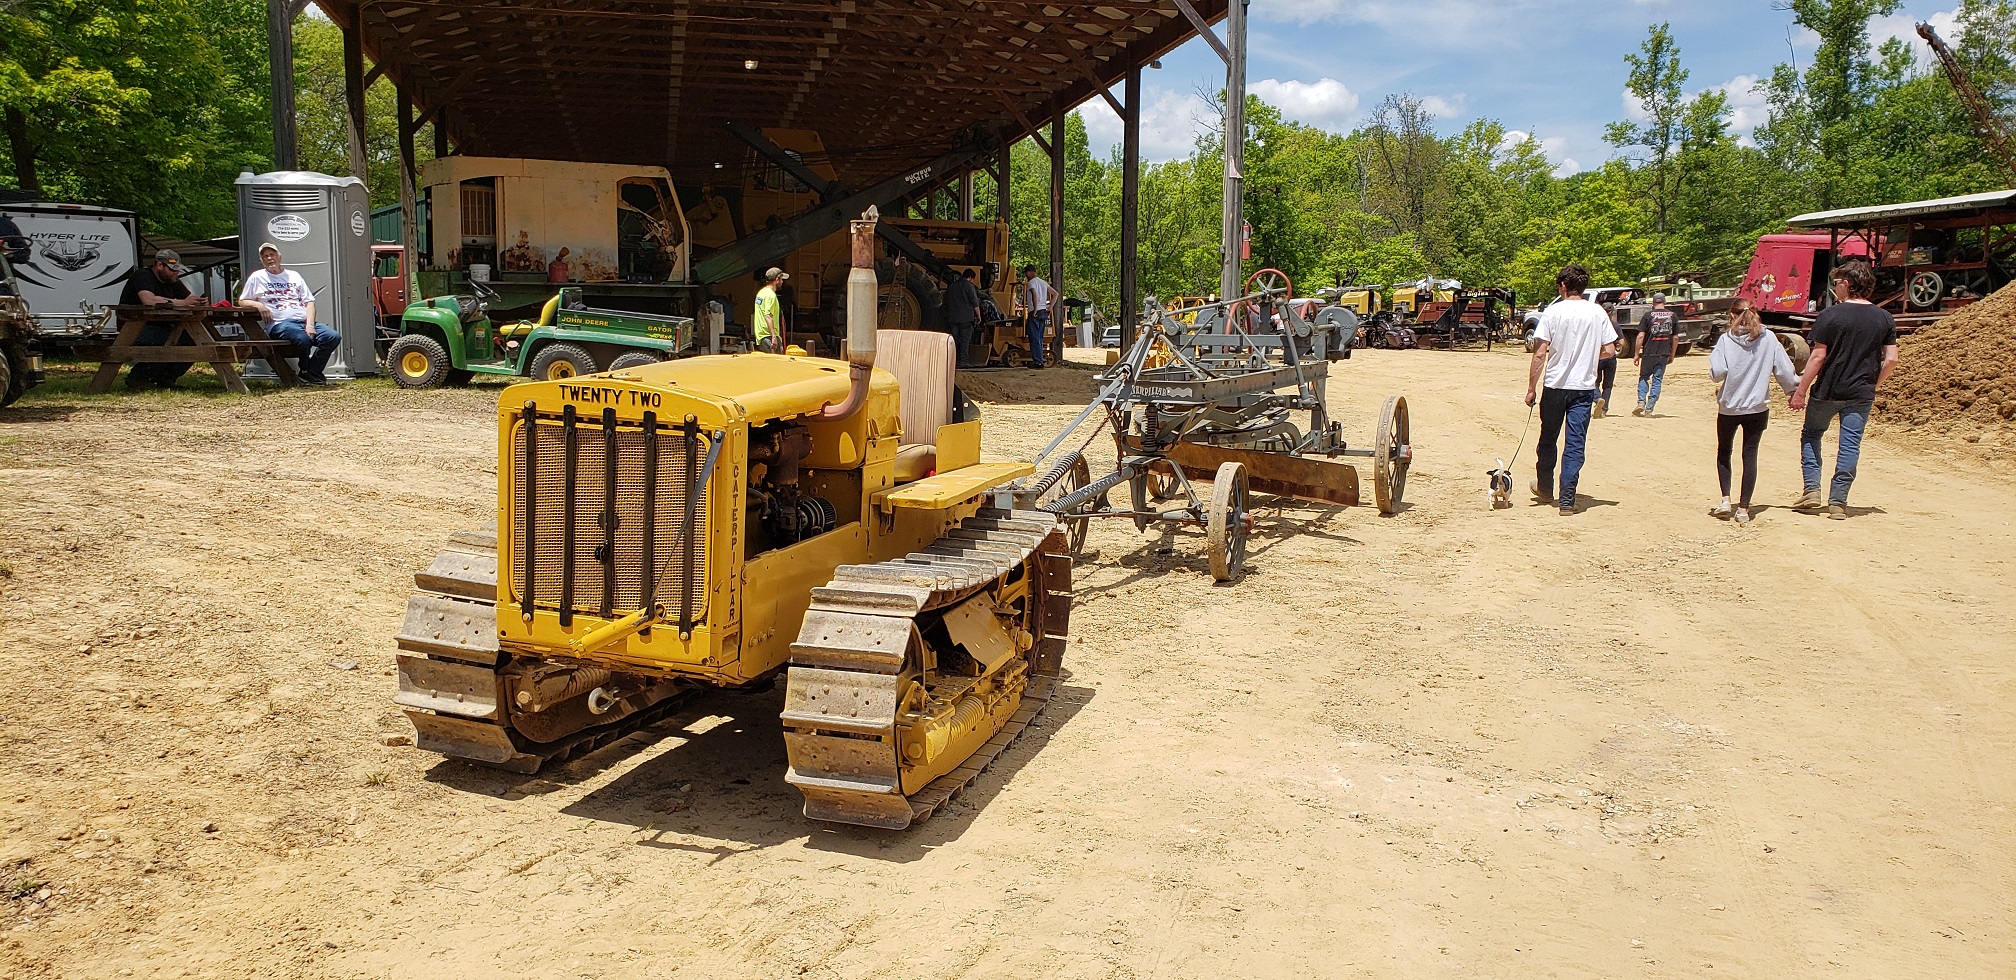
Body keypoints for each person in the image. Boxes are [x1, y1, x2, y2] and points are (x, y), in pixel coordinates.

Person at [1788, 257, 1898, 520]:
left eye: (1836, 283)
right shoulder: (1884, 317)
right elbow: (1892, 360)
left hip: (1828, 390)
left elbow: (1817, 357)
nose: (1834, 288)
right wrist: (1873, 385)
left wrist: (1800, 390)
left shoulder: (1830, 315)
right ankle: (1839, 501)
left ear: (1847, 284)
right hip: (1860, 394)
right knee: (1850, 445)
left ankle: (1812, 489)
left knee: (1812, 434)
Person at [1526, 263, 1619, 515]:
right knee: (1575, 443)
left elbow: (1540, 353)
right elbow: (1610, 350)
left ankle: (1545, 488)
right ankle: (1567, 499)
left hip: (1555, 385)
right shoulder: (1597, 312)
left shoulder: (1553, 313)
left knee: (1548, 439)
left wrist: (1531, 388)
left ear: (1564, 286)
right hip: (1584, 388)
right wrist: (1588, 359)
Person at [1707, 307, 1800, 524]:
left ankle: (1725, 500)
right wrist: (1792, 392)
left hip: (1729, 407)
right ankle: (1744, 509)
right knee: (1750, 456)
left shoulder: (1725, 340)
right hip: (1757, 408)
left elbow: (1717, 373)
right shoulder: (1769, 339)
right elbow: (1785, 371)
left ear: (1732, 315)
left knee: (1724, 452)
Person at [238, 242, 341, 385]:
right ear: (262, 261)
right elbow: (243, 301)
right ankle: (305, 370)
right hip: (279, 324)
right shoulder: (257, 277)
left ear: (279, 257)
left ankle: (313, 372)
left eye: (272, 254)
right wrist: (258, 305)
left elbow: (309, 302)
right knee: (302, 338)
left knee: (332, 336)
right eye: (265, 256)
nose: (269, 258)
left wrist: (310, 325)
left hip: (303, 322)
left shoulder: (294, 276)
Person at [118, 248, 207, 390]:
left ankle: (166, 379)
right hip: (135, 327)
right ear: (160, 266)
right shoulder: (142, 276)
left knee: (195, 339)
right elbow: (149, 300)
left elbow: (188, 298)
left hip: (162, 326)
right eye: (172, 269)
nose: (176, 273)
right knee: (162, 341)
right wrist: (182, 303)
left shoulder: (173, 280)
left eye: (178, 270)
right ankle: (138, 378)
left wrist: (198, 301)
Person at [1633, 292, 1679, 416]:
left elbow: (1641, 336)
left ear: (1653, 303)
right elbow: (1675, 338)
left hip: (1649, 352)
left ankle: (1641, 401)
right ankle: (1649, 409)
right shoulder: (1672, 316)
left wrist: (1636, 354)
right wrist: (1672, 354)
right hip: (1664, 352)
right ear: (1665, 302)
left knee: (1644, 377)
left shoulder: (1648, 315)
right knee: (1657, 380)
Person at [945, 268, 982, 365]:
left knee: (954, 340)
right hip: (965, 318)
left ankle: (953, 361)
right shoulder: (969, 286)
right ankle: (964, 361)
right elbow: (975, 303)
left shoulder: (952, 286)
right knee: (965, 340)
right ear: (970, 278)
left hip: (953, 318)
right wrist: (978, 316)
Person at [1022, 264, 1051, 368]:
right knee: (1040, 337)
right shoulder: (1043, 283)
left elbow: (1034, 294)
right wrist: (1050, 307)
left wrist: (1034, 310)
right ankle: (1040, 360)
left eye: (1026, 273)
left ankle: (1038, 362)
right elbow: (1055, 294)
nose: (1026, 275)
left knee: (1034, 338)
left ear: (1030, 272)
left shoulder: (1031, 283)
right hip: (1043, 311)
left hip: (1035, 312)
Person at [753, 266, 787, 353]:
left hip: (762, 337)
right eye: (781, 279)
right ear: (776, 280)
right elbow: (768, 316)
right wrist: (774, 336)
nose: (782, 282)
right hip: (769, 337)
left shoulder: (761, 293)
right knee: (776, 365)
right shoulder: (771, 295)